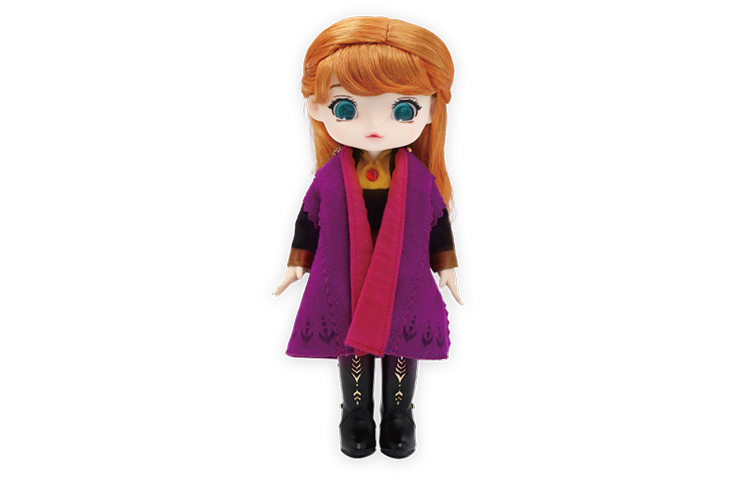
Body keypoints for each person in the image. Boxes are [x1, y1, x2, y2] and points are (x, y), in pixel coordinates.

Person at [273, 16, 462, 459]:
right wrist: (297, 262)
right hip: (346, 271)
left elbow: (437, 222)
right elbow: (309, 218)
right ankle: (356, 413)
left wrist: (447, 267)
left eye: (402, 110)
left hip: (404, 275)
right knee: (352, 338)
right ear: (317, 107)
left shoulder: (419, 179)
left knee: (401, 340)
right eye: (346, 108)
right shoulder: (330, 177)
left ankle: (399, 414)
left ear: (430, 109)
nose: (375, 123)